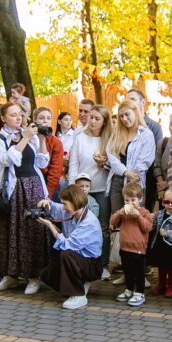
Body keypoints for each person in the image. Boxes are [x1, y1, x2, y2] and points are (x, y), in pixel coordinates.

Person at [0, 102, 50, 294]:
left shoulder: (27, 134)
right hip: (12, 188)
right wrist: (25, 138)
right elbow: (7, 159)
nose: (18, 118)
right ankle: (10, 276)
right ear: (3, 118)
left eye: (19, 114)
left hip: (33, 186)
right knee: (8, 231)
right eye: (13, 115)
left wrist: (41, 139)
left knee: (32, 229)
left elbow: (41, 162)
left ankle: (34, 277)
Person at [36, 185, 104, 310]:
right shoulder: (71, 210)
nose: (63, 207)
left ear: (74, 202)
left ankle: (79, 295)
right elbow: (55, 208)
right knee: (46, 275)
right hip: (80, 260)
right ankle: (77, 284)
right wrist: (47, 202)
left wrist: (50, 226)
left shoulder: (89, 222)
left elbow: (68, 245)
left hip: (92, 265)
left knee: (66, 253)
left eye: (65, 204)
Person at [68, 105, 112, 277]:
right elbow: (73, 163)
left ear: (104, 122)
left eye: (96, 118)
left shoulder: (108, 139)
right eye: (91, 117)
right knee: (80, 225)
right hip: (81, 188)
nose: (92, 121)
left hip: (101, 188)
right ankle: (82, 261)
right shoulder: (80, 137)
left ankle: (103, 265)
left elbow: (114, 165)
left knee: (102, 226)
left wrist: (104, 163)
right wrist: (72, 187)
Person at [106, 99, 156, 214]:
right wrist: (125, 172)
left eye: (127, 114)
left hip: (135, 181)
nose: (124, 119)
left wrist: (132, 175)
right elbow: (111, 155)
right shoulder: (117, 133)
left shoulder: (146, 134)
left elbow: (145, 161)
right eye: (121, 116)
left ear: (135, 112)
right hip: (117, 179)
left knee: (134, 217)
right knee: (117, 216)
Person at [110, 182, 153, 306]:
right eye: (127, 200)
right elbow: (112, 222)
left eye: (133, 200)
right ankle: (129, 289)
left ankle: (139, 293)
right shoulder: (123, 212)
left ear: (140, 199)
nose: (130, 203)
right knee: (127, 271)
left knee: (138, 272)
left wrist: (138, 216)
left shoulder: (144, 212)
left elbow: (147, 228)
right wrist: (119, 213)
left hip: (138, 249)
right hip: (124, 247)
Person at [149, 186, 172, 298]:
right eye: (166, 202)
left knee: (171, 268)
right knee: (161, 266)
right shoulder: (160, 213)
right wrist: (151, 219)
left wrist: (168, 234)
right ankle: (161, 284)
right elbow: (154, 226)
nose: (170, 205)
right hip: (160, 245)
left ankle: (171, 287)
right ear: (162, 201)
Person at [32, 107, 64, 197]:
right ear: (35, 120)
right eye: (41, 118)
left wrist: (48, 195)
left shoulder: (56, 142)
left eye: (48, 118)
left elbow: (55, 171)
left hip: (46, 182)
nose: (45, 121)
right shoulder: (28, 138)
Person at [154, 111, 172, 197]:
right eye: (170, 124)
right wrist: (161, 187)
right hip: (166, 191)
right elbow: (157, 166)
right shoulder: (162, 143)